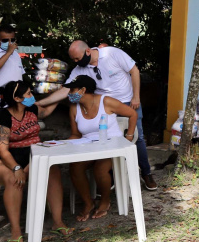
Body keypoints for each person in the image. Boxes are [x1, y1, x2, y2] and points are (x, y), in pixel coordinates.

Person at [37, 40, 156, 190]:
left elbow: (134, 71)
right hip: (104, 106)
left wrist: (136, 97)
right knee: (104, 139)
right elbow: (67, 90)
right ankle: (109, 176)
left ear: (87, 51)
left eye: (77, 58)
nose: (75, 62)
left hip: (127, 102)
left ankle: (146, 173)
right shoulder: (80, 68)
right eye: (73, 59)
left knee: (136, 139)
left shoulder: (112, 53)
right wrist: (42, 103)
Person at [0, 80, 70, 242]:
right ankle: (16, 231)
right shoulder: (2, 118)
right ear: (17, 99)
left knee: (52, 171)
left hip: (32, 154)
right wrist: (17, 168)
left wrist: (60, 96)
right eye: (29, 94)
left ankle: (57, 222)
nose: (32, 97)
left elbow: (45, 111)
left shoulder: (31, 109)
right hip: (5, 159)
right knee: (13, 179)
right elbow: (2, 151)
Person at [64, 75, 138, 221]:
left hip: (111, 146)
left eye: (72, 89)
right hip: (88, 147)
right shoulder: (74, 108)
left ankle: (105, 200)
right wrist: (63, 145)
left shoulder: (106, 101)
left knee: (100, 169)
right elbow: (75, 134)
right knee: (75, 167)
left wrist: (128, 138)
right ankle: (88, 203)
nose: (69, 93)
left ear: (83, 90)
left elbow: (132, 114)